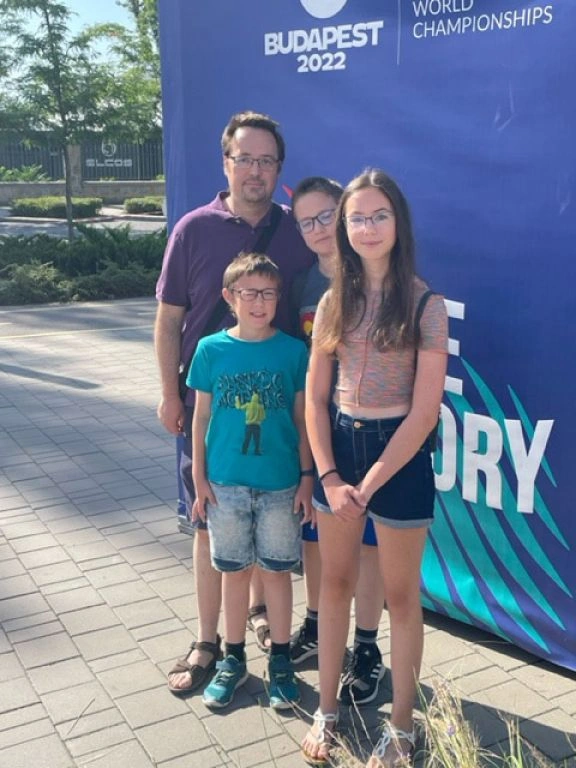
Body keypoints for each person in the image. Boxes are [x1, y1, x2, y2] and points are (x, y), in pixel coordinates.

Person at [154, 111, 313, 696]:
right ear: (225, 163)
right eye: (244, 158)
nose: (255, 171)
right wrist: (168, 394)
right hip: (208, 405)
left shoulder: (296, 231)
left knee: (269, 521)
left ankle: (263, 621)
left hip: (276, 415)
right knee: (210, 521)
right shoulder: (193, 229)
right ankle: (209, 642)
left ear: (279, 169)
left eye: (266, 160)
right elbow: (168, 320)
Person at [300, 169, 448, 767]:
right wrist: (331, 478)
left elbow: (425, 411)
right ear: (344, 228)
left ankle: (403, 727)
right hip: (341, 450)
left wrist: (369, 482)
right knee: (333, 586)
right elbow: (315, 399)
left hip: (399, 457)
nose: (367, 227)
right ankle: (327, 711)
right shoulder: (333, 300)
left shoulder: (426, 304)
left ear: (398, 223)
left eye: (378, 215)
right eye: (356, 218)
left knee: (400, 595)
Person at [188, 252, 312, 709]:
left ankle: (280, 659)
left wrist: (306, 477)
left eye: (268, 293)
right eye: (249, 293)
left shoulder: (293, 352)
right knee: (234, 573)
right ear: (229, 297)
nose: (259, 302)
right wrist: (199, 477)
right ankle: (233, 658)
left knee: (277, 574)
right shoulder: (210, 350)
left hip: (281, 485)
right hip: (225, 486)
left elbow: (301, 420)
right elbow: (201, 417)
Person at [290, 177, 387, 708]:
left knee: (369, 541)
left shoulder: (378, 278)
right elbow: (304, 379)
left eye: (327, 215)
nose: (319, 229)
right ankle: (316, 624)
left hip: (369, 437)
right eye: (306, 221)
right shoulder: (303, 286)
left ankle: (367, 646)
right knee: (315, 534)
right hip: (318, 434)